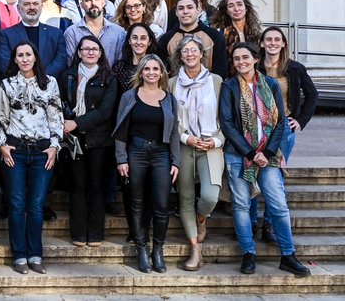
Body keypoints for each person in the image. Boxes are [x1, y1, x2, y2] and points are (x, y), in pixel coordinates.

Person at [219, 42, 310, 277]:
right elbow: (227, 124)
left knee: (278, 206)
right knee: (241, 205)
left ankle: (288, 255)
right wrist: (250, 153)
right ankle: (248, 254)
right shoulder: (229, 87)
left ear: (255, 59)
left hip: (267, 155)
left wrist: (267, 153)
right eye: (236, 58)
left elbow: (280, 121)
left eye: (245, 57)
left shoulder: (270, 84)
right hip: (239, 154)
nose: (241, 62)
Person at [0, 41, 63, 275]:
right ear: (14, 59)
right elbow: (1, 117)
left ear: (35, 57)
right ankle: (19, 256)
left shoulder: (50, 83)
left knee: (36, 205)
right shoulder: (7, 84)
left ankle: (35, 254)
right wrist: (2, 145)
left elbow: (56, 117)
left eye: (28, 54)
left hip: (42, 151)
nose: (24, 59)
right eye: (20, 55)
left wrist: (55, 146)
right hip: (15, 148)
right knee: (16, 204)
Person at [113, 53, 181, 274]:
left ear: (162, 72)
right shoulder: (129, 96)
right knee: (136, 203)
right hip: (136, 151)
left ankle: (157, 250)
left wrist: (176, 161)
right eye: (147, 69)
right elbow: (121, 130)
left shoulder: (169, 98)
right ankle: (141, 248)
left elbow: (173, 133)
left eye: (155, 69)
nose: (151, 73)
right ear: (140, 72)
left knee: (161, 205)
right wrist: (121, 158)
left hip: (161, 154)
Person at [170, 35, 223, 272]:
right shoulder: (172, 83)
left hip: (210, 144)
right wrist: (185, 137)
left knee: (210, 196)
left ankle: (202, 219)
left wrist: (215, 141)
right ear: (179, 56)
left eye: (194, 50)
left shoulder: (217, 81)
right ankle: (195, 249)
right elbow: (171, 120)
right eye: (185, 51)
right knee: (185, 198)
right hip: (183, 144)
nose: (190, 54)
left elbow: (226, 117)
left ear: (202, 54)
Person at [60, 35, 118, 248]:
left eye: (95, 49)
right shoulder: (68, 76)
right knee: (77, 185)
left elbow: (105, 112)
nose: (90, 52)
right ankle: (78, 232)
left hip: (100, 140)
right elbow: (60, 102)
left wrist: (77, 123)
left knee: (96, 185)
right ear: (78, 53)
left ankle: (95, 233)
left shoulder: (109, 78)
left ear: (101, 53)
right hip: (73, 141)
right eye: (86, 49)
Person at [261, 26, 317, 166]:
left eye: (277, 39)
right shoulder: (255, 67)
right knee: (259, 167)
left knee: (278, 167)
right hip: (258, 125)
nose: (272, 43)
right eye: (268, 39)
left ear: (283, 43)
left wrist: (301, 120)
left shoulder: (295, 68)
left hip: (284, 125)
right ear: (262, 43)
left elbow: (312, 94)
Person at [0, 0, 68, 80]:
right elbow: (5, 63)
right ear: (19, 8)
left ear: (41, 7)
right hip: (18, 87)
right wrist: (26, 78)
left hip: (47, 85)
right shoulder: (6, 35)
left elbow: (60, 61)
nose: (31, 7)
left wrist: (42, 77)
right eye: (26, 4)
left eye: (35, 3)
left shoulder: (56, 34)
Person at [158, 0, 228, 77]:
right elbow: (164, 72)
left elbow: (221, 70)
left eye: (190, 7)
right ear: (176, 12)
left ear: (198, 10)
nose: (185, 11)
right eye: (181, 8)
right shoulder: (165, 40)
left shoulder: (215, 36)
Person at [64, 0, 126, 64]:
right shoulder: (72, 33)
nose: (93, 3)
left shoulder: (119, 32)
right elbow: (71, 63)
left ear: (103, 3)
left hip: (112, 75)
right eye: (88, 0)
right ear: (82, 5)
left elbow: (121, 63)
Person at [113, 23, 160, 92]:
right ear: (129, 41)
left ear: (149, 42)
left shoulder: (157, 66)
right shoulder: (119, 67)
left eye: (143, 38)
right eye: (135, 38)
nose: (138, 42)